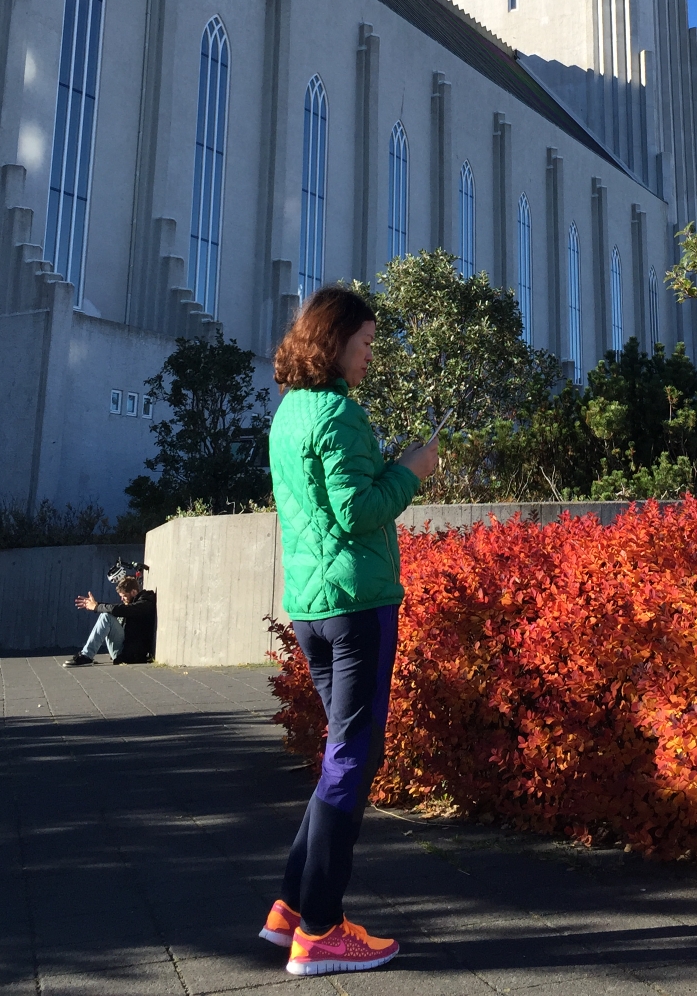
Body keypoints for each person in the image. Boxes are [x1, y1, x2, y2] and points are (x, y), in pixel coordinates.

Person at [259, 284, 438, 978]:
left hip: (312, 605)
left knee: (342, 754)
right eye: (365, 344)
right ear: (335, 343)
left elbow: (326, 509)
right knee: (354, 758)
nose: (370, 357)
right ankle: (323, 930)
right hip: (357, 605)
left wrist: (384, 467)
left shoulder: (290, 414)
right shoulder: (335, 413)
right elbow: (358, 512)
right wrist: (412, 470)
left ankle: (290, 908)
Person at [64, 574, 157, 667]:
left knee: (106, 616)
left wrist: (97, 606)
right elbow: (116, 609)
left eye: (124, 596)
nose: (122, 599)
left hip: (132, 654)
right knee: (107, 614)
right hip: (125, 649)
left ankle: (86, 656)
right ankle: (87, 654)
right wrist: (97, 605)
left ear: (133, 592)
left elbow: (122, 609)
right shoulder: (133, 604)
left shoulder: (144, 603)